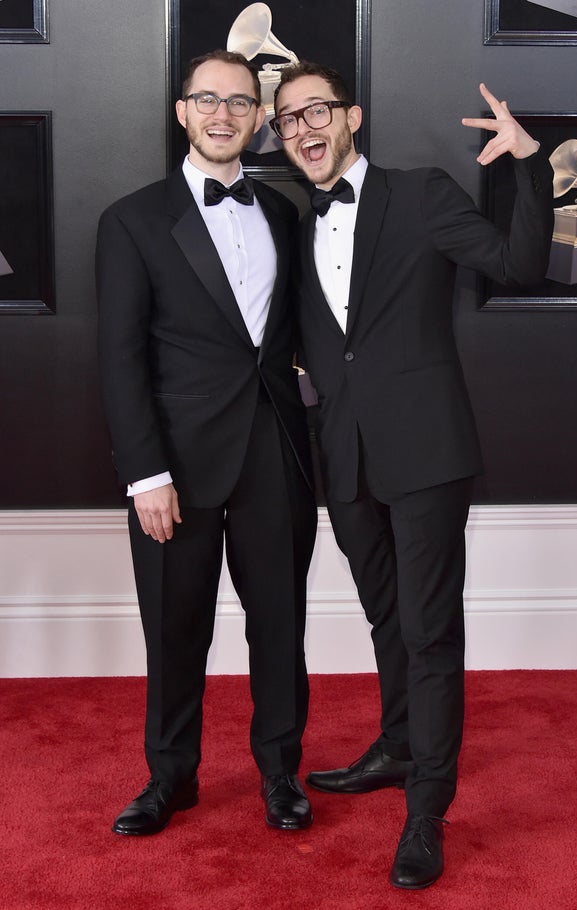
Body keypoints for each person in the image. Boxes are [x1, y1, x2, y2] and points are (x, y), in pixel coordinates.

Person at [271, 63, 553, 888]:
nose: (302, 127)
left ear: (351, 116)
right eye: (287, 120)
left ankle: (426, 810)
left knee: (429, 633)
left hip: (427, 454)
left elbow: (519, 263)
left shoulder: (422, 193)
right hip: (347, 454)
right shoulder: (295, 224)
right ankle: (398, 747)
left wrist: (528, 164)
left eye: (316, 110)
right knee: (386, 622)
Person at [96, 49, 317, 837]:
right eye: (206, 100)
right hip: (175, 466)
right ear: (182, 112)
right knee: (174, 625)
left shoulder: (286, 215)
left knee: (279, 624)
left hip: (275, 451)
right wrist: (144, 472)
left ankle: (281, 774)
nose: (223, 114)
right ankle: (170, 779)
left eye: (239, 102)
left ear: (258, 120)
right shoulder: (131, 219)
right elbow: (120, 359)